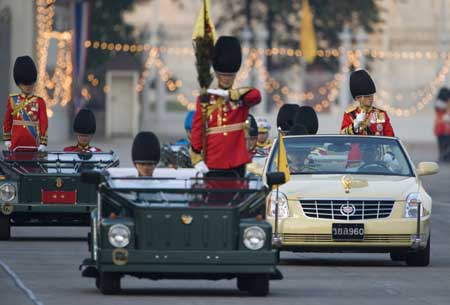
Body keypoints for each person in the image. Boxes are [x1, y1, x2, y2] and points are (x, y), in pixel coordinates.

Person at [190, 36, 261, 178]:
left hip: (237, 157)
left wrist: (231, 95)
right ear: (216, 74)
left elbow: (256, 96)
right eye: (223, 75)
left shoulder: (240, 96)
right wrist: (196, 156)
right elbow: (198, 128)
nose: (227, 78)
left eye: (230, 75)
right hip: (213, 158)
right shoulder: (206, 98)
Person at [3, 56, 48, 152]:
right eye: (24, 83)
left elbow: (44, 123)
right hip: (16, 143)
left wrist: (43, 142)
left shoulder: (40, 102)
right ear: (19, 83)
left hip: (34, 143)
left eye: (30, 83)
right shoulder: (13, 100)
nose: (28, 86)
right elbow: (7, 121)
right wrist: (7, 138)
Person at [340, 69, 395, 136]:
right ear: (358, 98)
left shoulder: (380, 114)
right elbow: (342, 135)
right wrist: (355, 126)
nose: (370, 98)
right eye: (366, 96)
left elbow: (390, 137)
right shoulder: (350, 115)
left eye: (371, 95)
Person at [433, 87, 450, 162]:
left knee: (442, 143)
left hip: (439, 126)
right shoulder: (443, 103)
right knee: (445, 143)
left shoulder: (438, 102)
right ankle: (444, 156)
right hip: (445, 127)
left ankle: (442, 156)